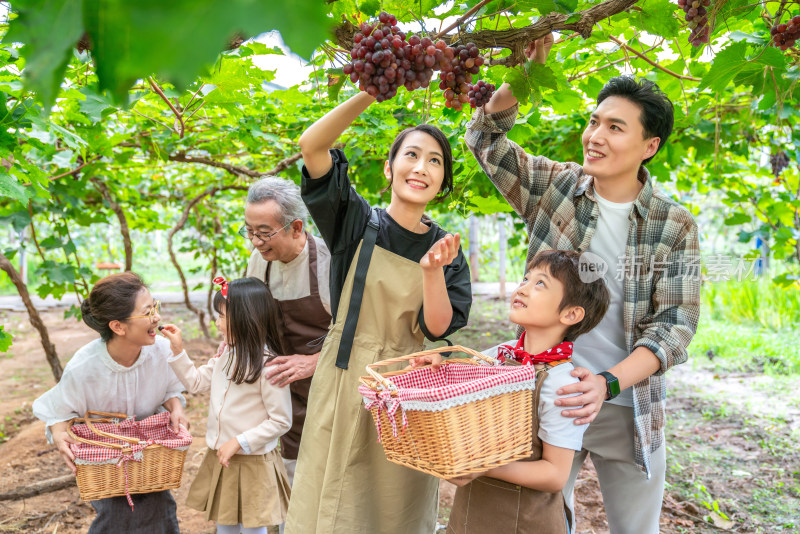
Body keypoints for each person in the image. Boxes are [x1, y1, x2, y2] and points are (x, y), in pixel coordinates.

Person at [466, 35, 701, 534]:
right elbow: (484, 138)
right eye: (595, 121)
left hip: (627, 404)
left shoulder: (673, 225)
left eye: (615, 127)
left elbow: (675, 326)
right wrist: (526, 75)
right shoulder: (557, 188)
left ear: (650, 146)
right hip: (545, 393)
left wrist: (606, 382)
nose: (595, 134)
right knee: (539, 524)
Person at [284, 92, 472, 534]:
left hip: (404, 388)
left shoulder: (447, 251)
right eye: (411, 155)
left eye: (434, 161)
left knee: (394, 508)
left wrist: (432, 272)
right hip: (344, 378)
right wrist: (371, 91)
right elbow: (312, 145)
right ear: (390, 168)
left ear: (442, 181)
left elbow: (437, 328)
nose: (421, 168)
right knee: (329, 504)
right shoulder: (355, 220)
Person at [447, 249, 610, 534]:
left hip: (526, 522)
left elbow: (555, 475)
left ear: (571, 313)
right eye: (525, 278)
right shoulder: (501, 354)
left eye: (540, 283)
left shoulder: (564, 384)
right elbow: (457, 374)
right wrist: (439, 363)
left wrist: (480, 465)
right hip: (472, 514)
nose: (522, 287)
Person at [32, 272, 186, 534]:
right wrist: (59, 434)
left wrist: (177, 408)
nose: (157, 318)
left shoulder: (160, 351)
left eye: (155, 307)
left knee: (159, 505)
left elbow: (169, 390)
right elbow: (59, 410)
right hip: (105, 455)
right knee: (117, 511)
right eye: (148, 312)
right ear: (118, 327)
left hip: (148, 449)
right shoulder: (85, 367)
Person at [159, 277, 292, 534]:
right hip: (223, 457)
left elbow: (280, 421)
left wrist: (239, 441)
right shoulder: (225, 356)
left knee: (252, 526)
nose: (217, 323)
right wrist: (178, 351)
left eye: (221, 316)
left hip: (252, 461)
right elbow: (196, 383)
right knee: (226, 522)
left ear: (245, 318)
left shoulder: (269, 366)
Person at [242, 177, 332, 488]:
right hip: (283, 391)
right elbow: (252, 322)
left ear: (296, 228)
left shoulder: (330, 261)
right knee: (290, 474)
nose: (255, 241)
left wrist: (314, 362)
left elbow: (359, 333)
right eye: (250, 231)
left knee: (330, 469)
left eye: (264, 233)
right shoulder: (259, 261)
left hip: (330, 385)